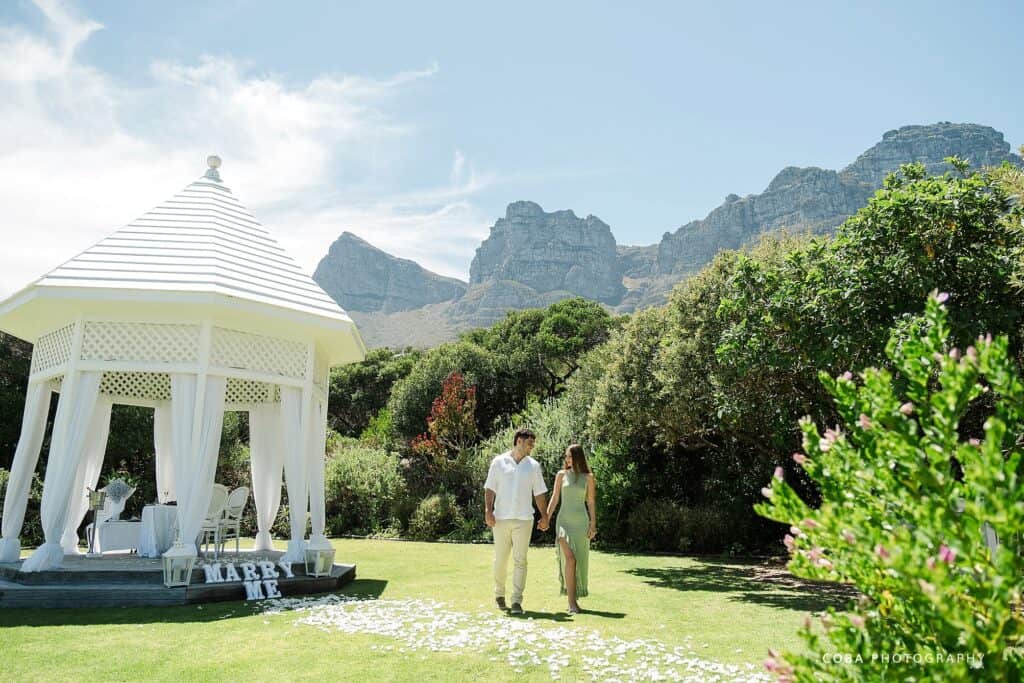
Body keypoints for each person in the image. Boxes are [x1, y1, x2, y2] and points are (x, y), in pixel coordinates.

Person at [484, 427, 549, 615]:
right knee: (501, 560)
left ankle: (517, 601)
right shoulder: (498, 462)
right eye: (529, 444)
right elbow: (490, 489)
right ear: (519, 441)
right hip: (501, 519)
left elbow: (539, 493)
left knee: (521, 560)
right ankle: (499, 594)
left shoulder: (533, 466)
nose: (532, 447)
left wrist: (544, 516)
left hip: (524, 520)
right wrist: (488, 511)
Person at [545, 444, 596, 614]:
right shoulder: (561, 475)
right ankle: (571, 603)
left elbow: (590, 502)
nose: (567, 459)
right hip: (563, 522)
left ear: (578, 457)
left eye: (569, 456)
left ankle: (574, 601)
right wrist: (546, 517)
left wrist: (593, 524)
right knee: (570, 559)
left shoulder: (588, 478)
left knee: (578, 561)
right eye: (566, 456)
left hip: (581, 523)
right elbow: (554, 497)